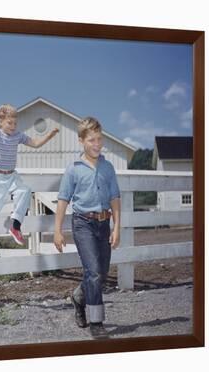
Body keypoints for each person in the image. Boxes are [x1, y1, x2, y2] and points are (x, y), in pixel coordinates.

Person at [53, 116, 121, 340]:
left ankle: (78, 297)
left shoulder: (108, 167)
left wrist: (117, 227)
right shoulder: (73, 169)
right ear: (81, 140)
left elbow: (115, 198)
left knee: (100, 275)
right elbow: (63, 199)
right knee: (92, 272)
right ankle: (97, 322)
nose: (97, 144)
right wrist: (57, 230)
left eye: (99, 139)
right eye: (92, 140)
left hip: (104, 223)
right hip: (82, 223)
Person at [0, 104, 59, 245]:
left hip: (11, 176)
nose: (13, 126)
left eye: (15, 123)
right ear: (0, 122)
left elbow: (35, 143)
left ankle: (15, 226)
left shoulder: (18, 136)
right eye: (9, 123)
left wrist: (49, 136)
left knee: (25, 191)